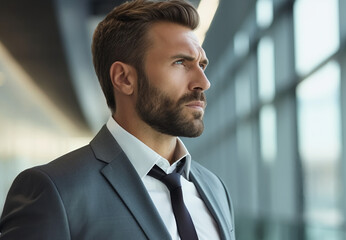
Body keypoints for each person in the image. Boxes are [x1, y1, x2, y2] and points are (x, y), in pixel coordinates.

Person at [0, 0, 235, 239]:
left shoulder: (215, 188)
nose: (203, 82)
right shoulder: (56, 191)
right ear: (124, 78)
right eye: (180, 62)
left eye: (202, 64)